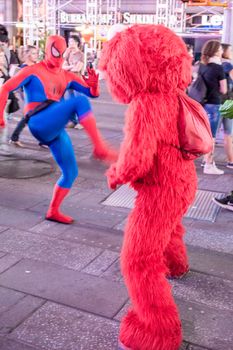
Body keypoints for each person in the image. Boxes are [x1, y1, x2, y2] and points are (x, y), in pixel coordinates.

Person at [100, 24, 197, 350]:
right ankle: (178, 265)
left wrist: (114, 174)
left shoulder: (146, 104)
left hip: (160, 191)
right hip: (185, 183)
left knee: (138, 260)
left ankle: (156, 331)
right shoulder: (176, 95)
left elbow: (135, 162)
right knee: (170, 229)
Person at [0, 35, 117, 224]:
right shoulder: (33, 71)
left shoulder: (66, 75)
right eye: (56, 52)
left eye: (62, 54)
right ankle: (100, 147)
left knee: (70, 172)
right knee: (78, 101)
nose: (59, 58)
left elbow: (91, 94)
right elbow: (5, 88)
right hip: (38, 121)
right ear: (47, 49)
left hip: (55, 129)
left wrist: (95, 86)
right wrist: (0, 117)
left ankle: (53, 211)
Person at [199, 40, 227, 175]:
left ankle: (206, 160)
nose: (222, 51)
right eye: (220, 49)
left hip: (202, 104)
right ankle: (209, 165)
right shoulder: (218, 68)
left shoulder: (202, 65)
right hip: (214, 104)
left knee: (205, 134)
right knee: (212, 136)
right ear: (215, 51)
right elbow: (224, 90)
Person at [9, 45, 39, 147]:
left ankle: (14, 137)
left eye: (36, 53)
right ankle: (14, 137)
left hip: (38, 95)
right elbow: (17, 84)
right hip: (29, 96)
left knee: (31, 117)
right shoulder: (24, 68)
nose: (36, 55)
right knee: (29, 117)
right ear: (27, 54)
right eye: (34, 53)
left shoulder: (34, 66)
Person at [63, 35, 84, 129]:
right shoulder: (68, 54)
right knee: (70, 101)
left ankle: (82, 122)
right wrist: (71, 66)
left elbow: (78, 68)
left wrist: (69, 67)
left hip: (77, 81)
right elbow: (63, 67)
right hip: (68, 80)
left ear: (76, 43)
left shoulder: (80, 54)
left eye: (71, 41)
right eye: (69, 42)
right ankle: (73, 121)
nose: (69, 44)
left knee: (78, 101)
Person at [220, 43, 233, 168]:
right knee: (228, 132)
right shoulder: (227, 64)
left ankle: (207, 160)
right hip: (228, 102)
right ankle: (231, 160)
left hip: (216, 100)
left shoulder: (215, 63)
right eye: (230, 50)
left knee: (212, 133)